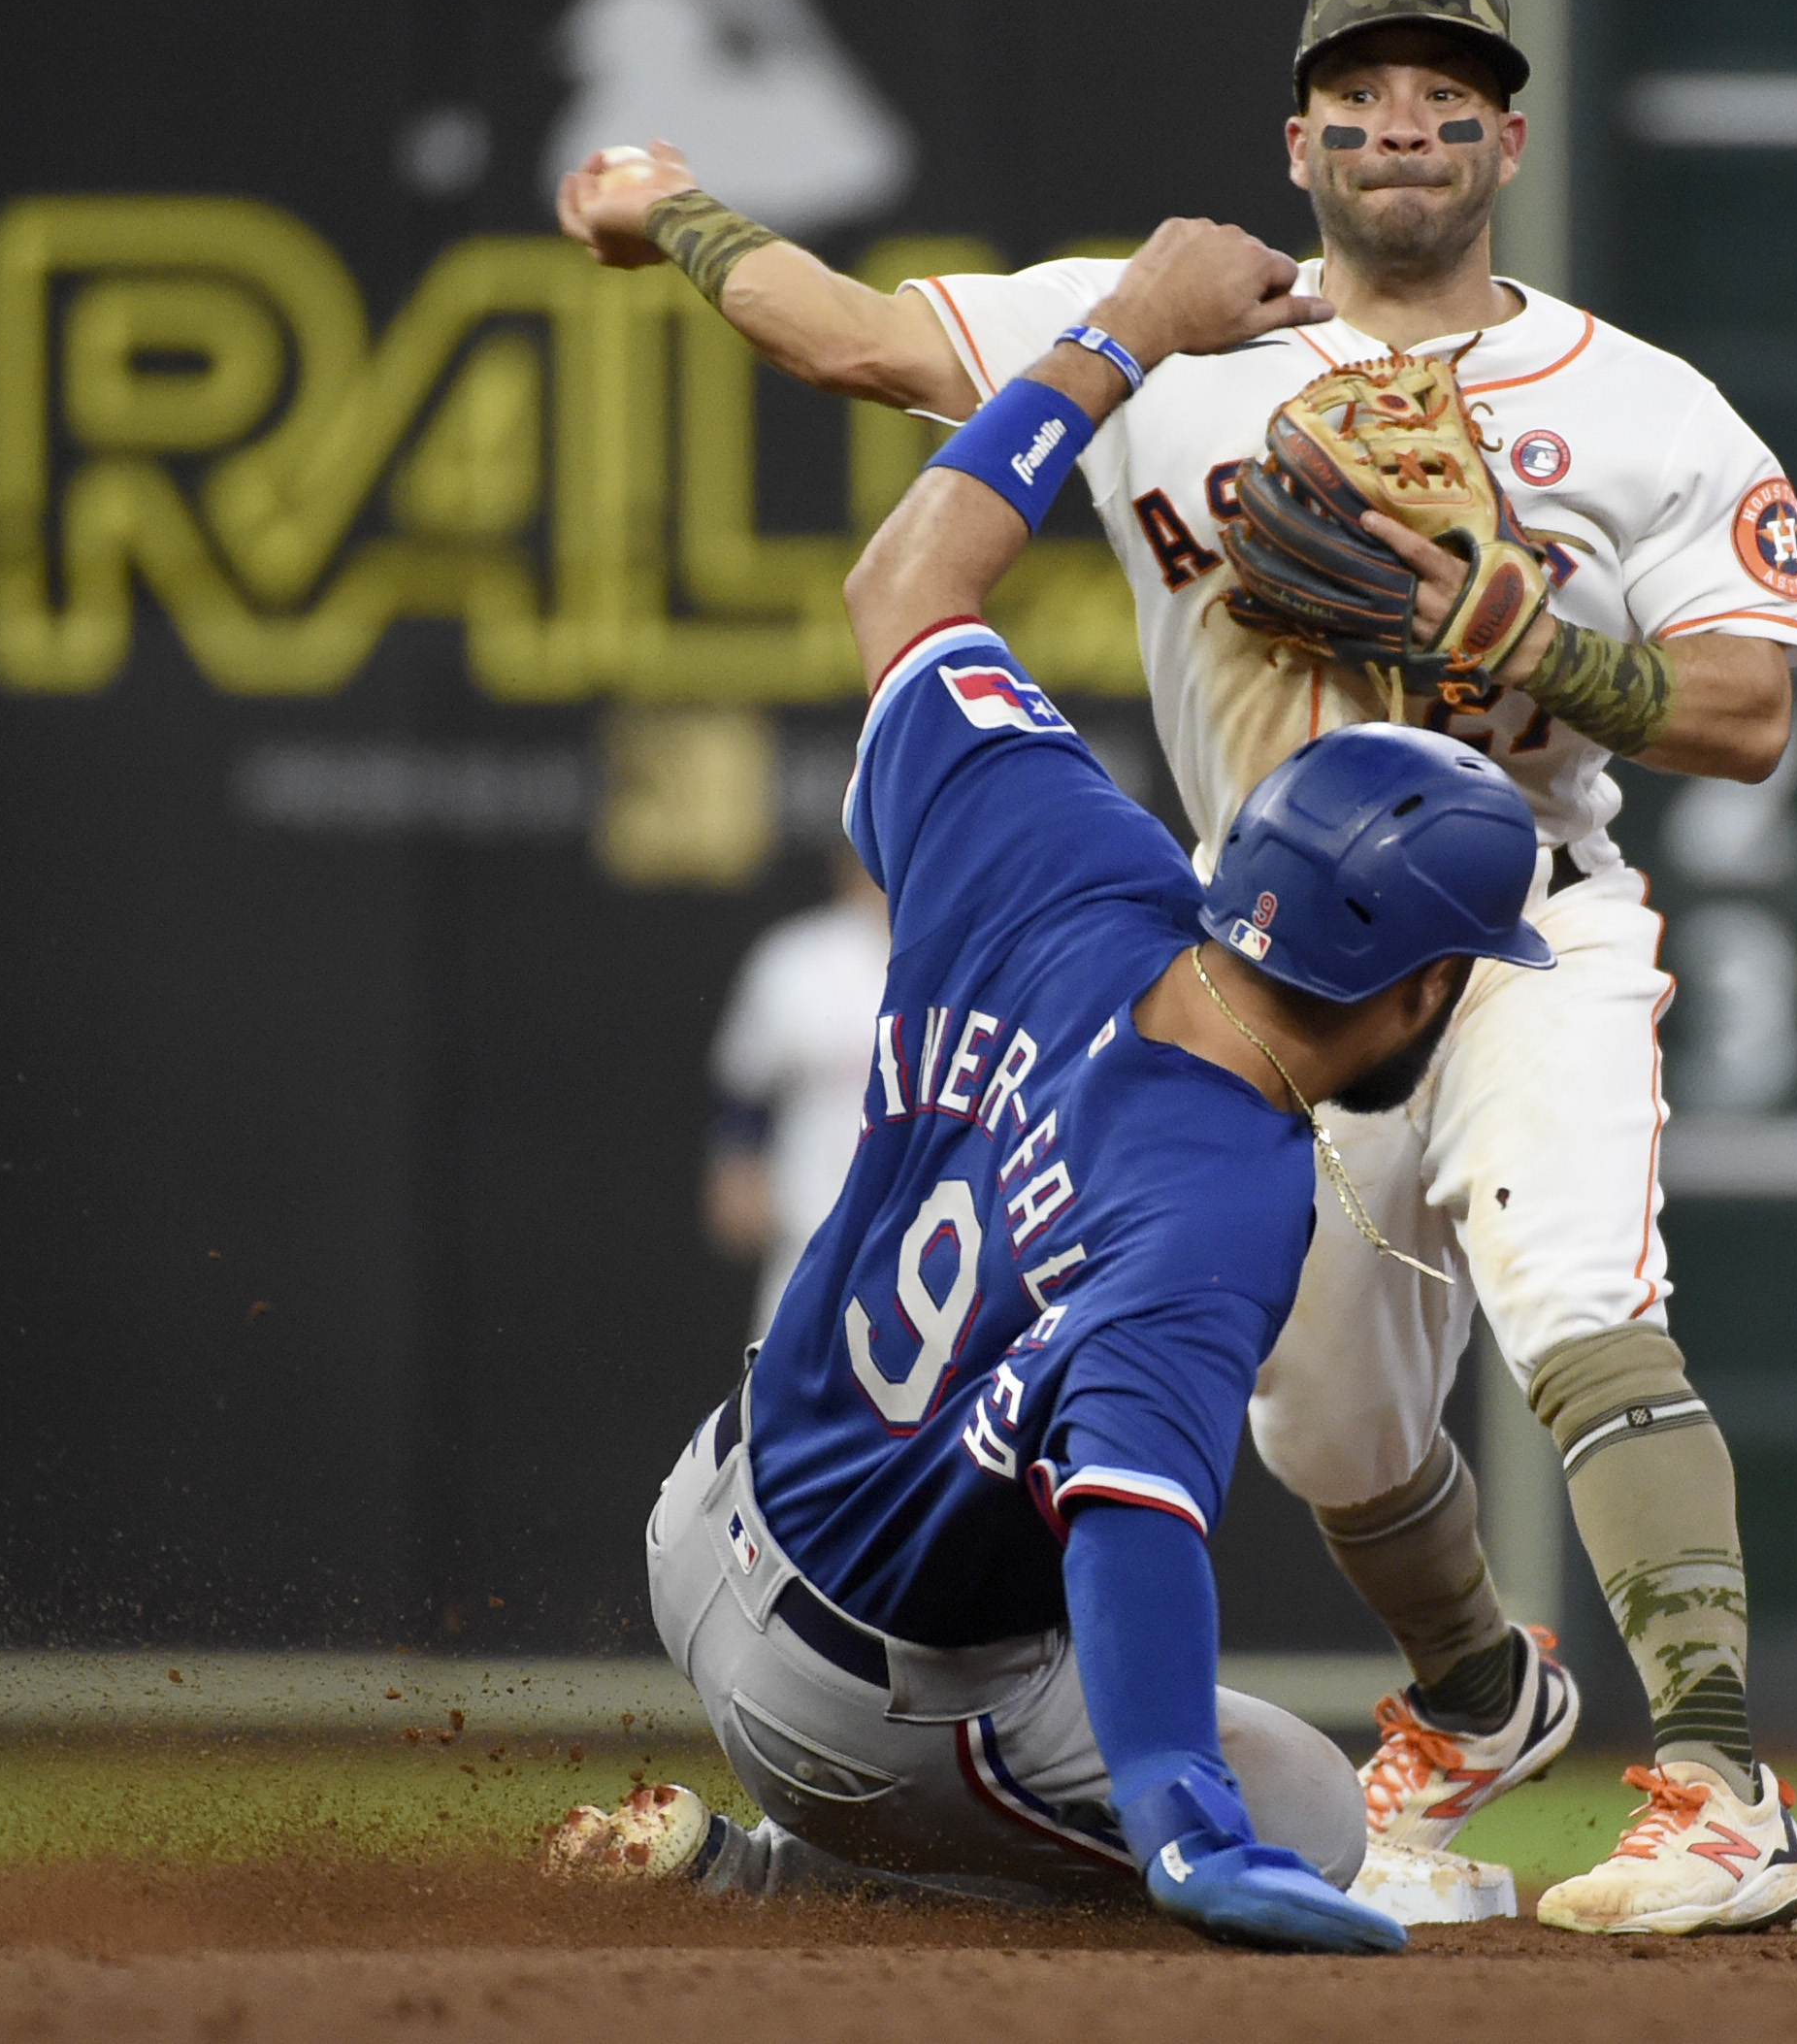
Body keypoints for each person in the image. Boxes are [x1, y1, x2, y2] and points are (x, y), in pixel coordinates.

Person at [557, 0, 1797, 1937]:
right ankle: (1485, 1692)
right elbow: (850, 337)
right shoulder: (1173, 327)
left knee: (1573, 1278)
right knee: (1319, 1410)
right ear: (1297, 134)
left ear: (1507, 134)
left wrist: (1523, 639)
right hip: (1267, 946)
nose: (1402, 121)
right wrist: (669, 208)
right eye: (1363, 90)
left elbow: (1748, 712)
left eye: (1447, 92)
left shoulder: (1643, 406)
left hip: (1512, 922)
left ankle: (1722, 1781)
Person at [546, 215, 1557, 1953]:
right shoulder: (1224, 1194)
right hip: (854, 1705)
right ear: (1409, 984)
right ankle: (778, 1869)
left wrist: (1121, 330)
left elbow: (904, 586)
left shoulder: (1071, 859)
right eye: (1461, 982)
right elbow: (1128, 1506)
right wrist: (1180, 1812)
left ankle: (817, 1829)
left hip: (703, 1515)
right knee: (1305, 1811)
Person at [705, 848, 889, 1339]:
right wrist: (737, 1162)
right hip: (808, 1235)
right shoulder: (799, 959)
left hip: (932, 1246)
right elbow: (745, 1081)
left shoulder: (963, 958)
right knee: (780, 1399)